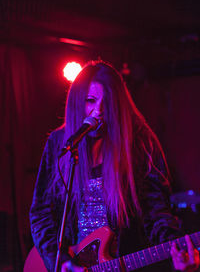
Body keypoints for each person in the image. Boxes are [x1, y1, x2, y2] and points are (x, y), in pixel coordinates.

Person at [30, 61, 199, 272]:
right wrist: (62, 260)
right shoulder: (59, 143)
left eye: (107, 104)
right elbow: (41, 213)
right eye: (90, 101)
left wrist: (177, 249)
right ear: (76, 103)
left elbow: (158, 215)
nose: (98, 112)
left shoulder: (140, 144)